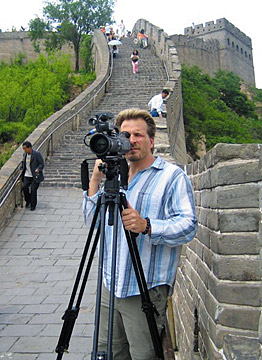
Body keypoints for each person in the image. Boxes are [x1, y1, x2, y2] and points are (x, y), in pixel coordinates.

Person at [83, 108, 197, 359]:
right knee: (108, 352)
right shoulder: (115, 176)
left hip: (144, 288)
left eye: (138, 135)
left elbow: (189, 225)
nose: (131, 141)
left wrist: (148, 226)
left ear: (152, 141)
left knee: (144, 355)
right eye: (125, 135)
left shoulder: (171, 177)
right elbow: (94, 223)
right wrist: (94, 182)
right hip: (110, 284)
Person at [20, 141, 44, 211]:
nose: (24, 150)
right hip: (27, 175)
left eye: (25, 148)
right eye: (23, 149)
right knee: (24, 188)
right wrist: (21, 168)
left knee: (33, 190)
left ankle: (33, 205)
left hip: (35, 176)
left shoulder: (36, 154)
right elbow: (23, 163)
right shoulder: (25, 155)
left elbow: (41, 164)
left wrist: (38, 169)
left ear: (29, 148)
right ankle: (28, 201)